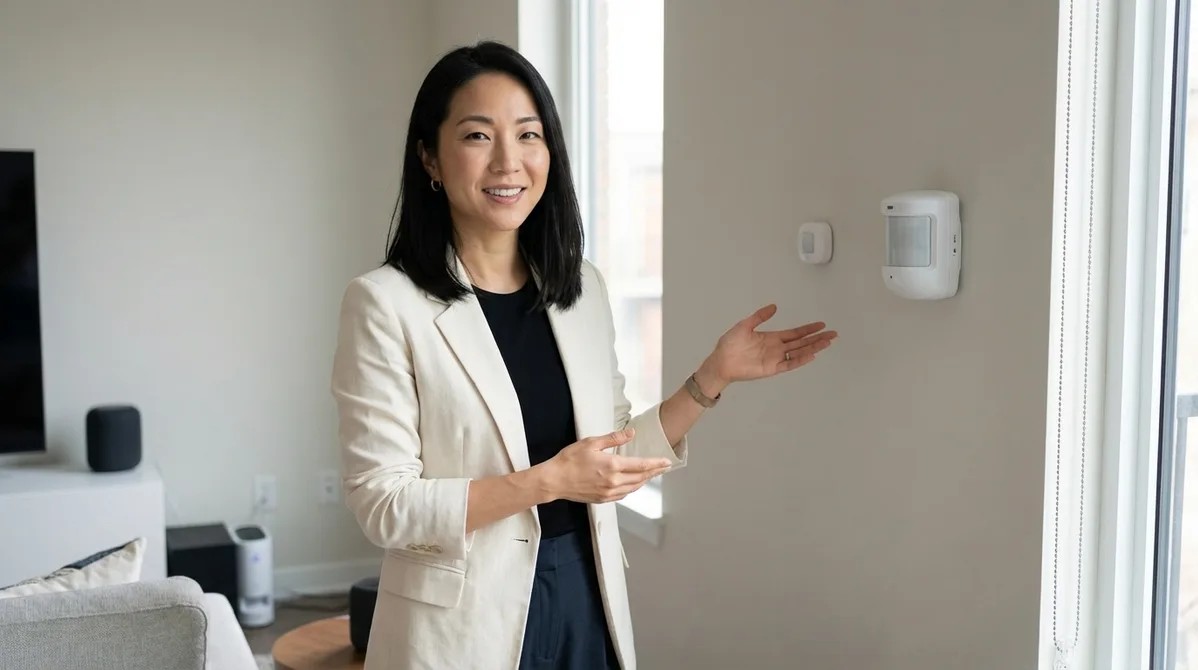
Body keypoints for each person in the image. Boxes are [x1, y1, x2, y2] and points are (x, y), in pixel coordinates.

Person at [330, 41, 837, 670]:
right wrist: (547, 482)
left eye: (528, 134)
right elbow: (383, 504)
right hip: (463, 622)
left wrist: (713, 377)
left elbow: (610, 455)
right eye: (478, 136)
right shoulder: (384, 303)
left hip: (584, 592)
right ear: (430, 156)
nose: (509, 161)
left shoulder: (580, 289)